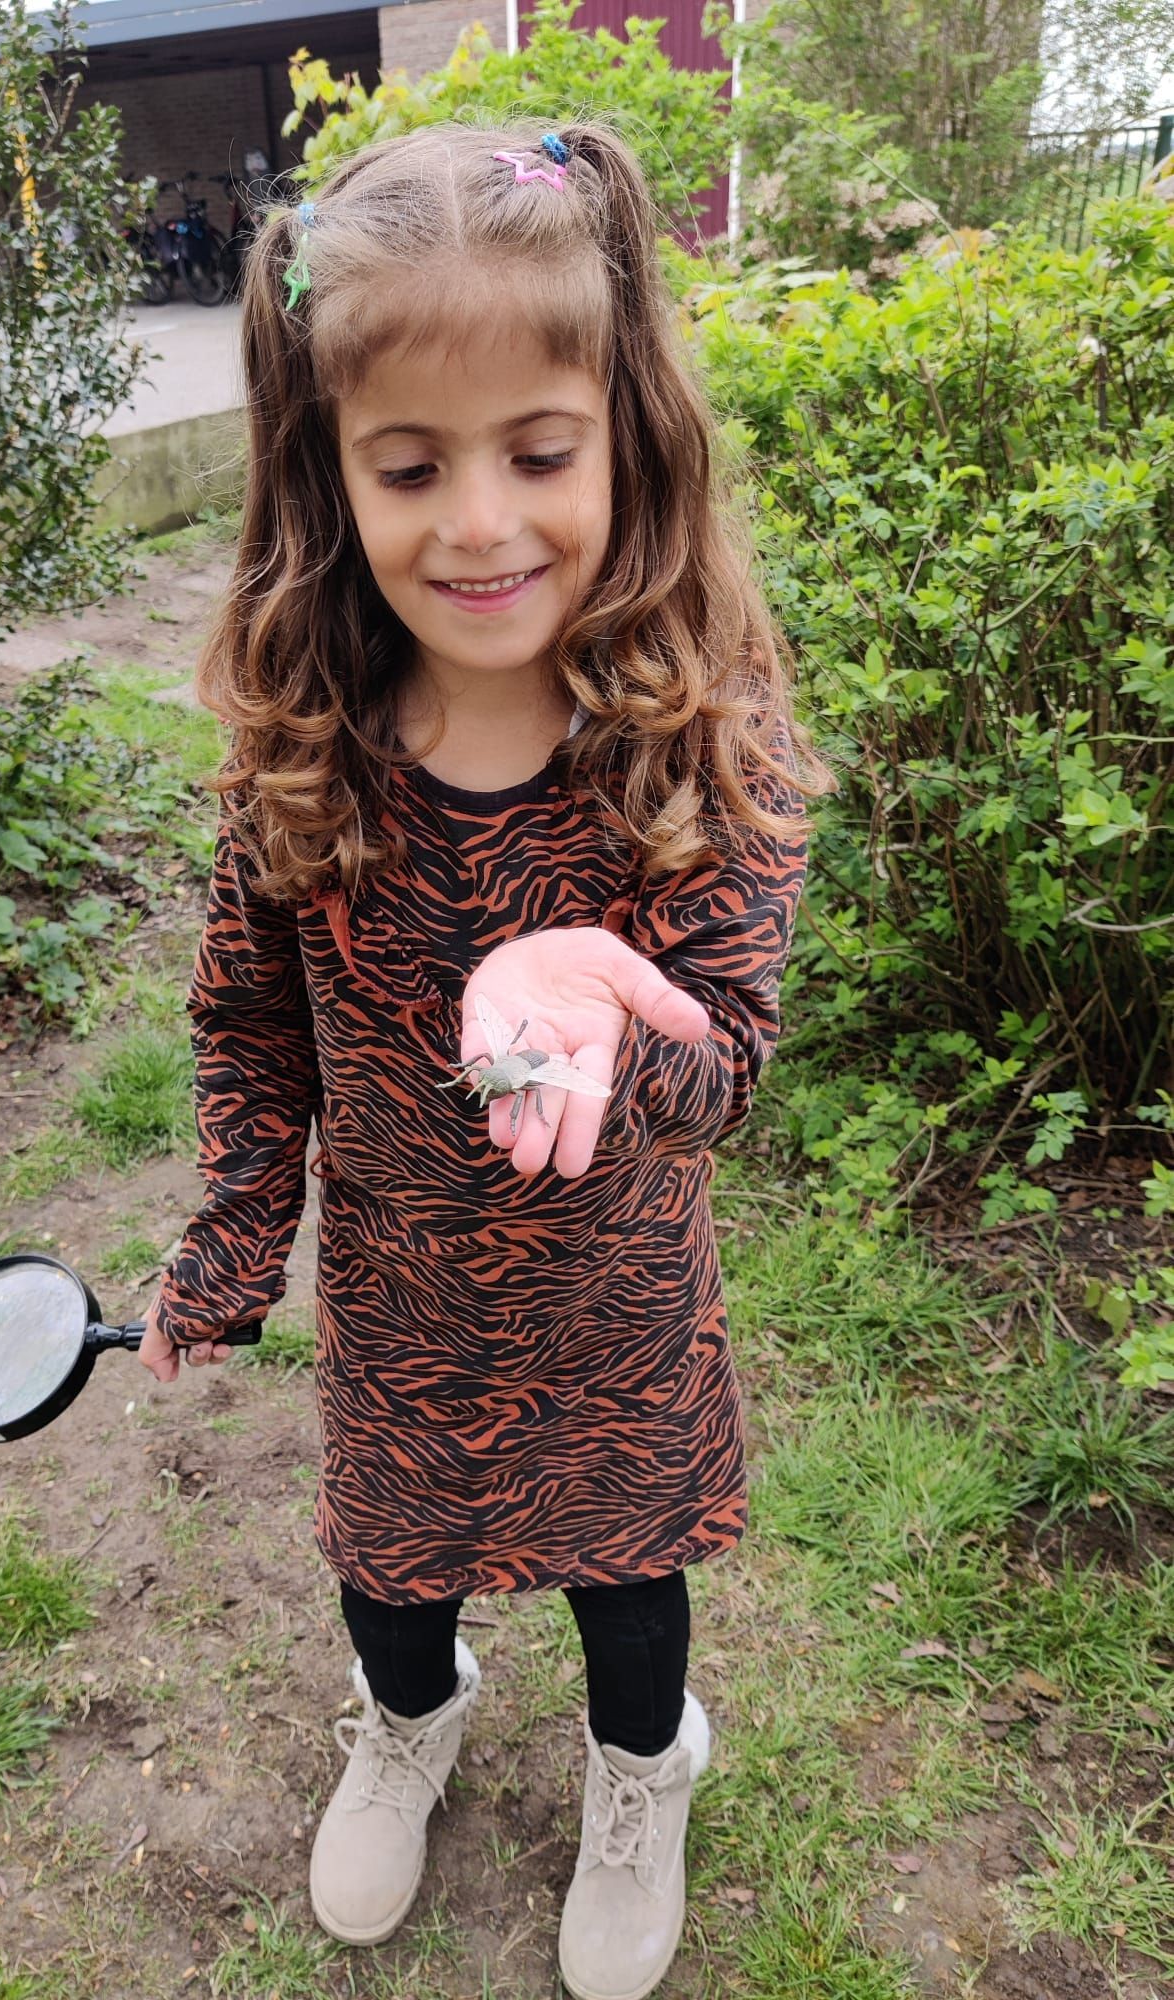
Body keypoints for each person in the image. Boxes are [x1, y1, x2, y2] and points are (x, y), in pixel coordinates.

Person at [138, 121, 835, 2000]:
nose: (478, 522)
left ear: (627, 437)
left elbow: (730, 1078)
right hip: (401, 1304)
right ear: (329, 469)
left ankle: (641, 1775)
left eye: (539, 454)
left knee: (628, 1586)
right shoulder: (307, 746)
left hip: (613, 1314)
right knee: (390, 1569)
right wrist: (230, 1239)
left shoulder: (703, 755)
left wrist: (620, 992)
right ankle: (412, 1718)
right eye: (409, 464)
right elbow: (251, 1027)